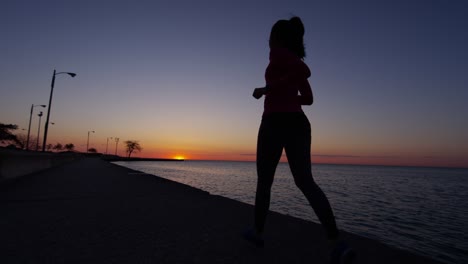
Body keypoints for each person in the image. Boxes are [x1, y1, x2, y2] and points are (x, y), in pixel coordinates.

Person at [244, 16, 355, 263]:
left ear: (278, 39)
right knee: (305, 182)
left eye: (270, 37)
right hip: (297, 123)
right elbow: (308, 98)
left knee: (265, 182)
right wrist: (285, 90)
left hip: (275, 122)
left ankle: (258, 233)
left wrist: (267, 89)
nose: (268, 42)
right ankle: (337, 243)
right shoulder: (292, 64)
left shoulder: (279, 54)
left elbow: (306, 71)